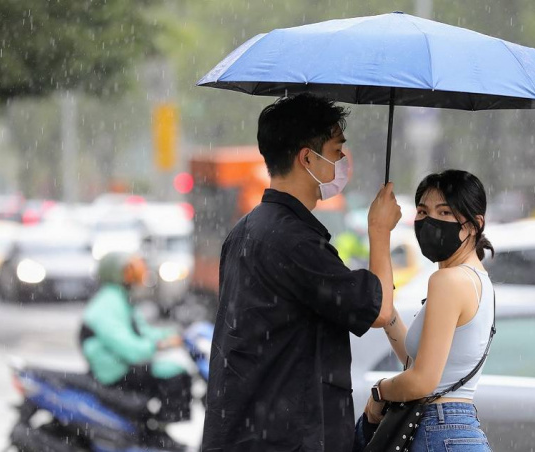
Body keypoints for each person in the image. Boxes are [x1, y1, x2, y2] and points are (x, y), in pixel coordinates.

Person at [202, 94, 402, 452]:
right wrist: (380, 230)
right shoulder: (294, 242)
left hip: (247, 433)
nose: (342, 160)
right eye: (336, 149)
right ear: (307, 158)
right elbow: (380, 310)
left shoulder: (246, 230)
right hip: (285, 440)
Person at [361, 169, 496, 452]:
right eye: (423, 211)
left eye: (444, 212)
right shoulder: (476, 279)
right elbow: (419, 361)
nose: (429, 221)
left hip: (439, 429)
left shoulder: (448, 280)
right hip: (455, 430)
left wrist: (379, 392)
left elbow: (422, 381)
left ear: (474, 225)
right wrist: (388, 314)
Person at [79, 252, 188, 394]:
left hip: (122, 366)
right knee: (175, 376)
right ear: (117, 274)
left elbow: (142, 331)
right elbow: (128, 348)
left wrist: (172, 334)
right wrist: (160, 344)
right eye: (131, 272)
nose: (139, 277)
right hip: (114, 373)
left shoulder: (121, 298)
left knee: (174, 371)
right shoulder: (108, 304)